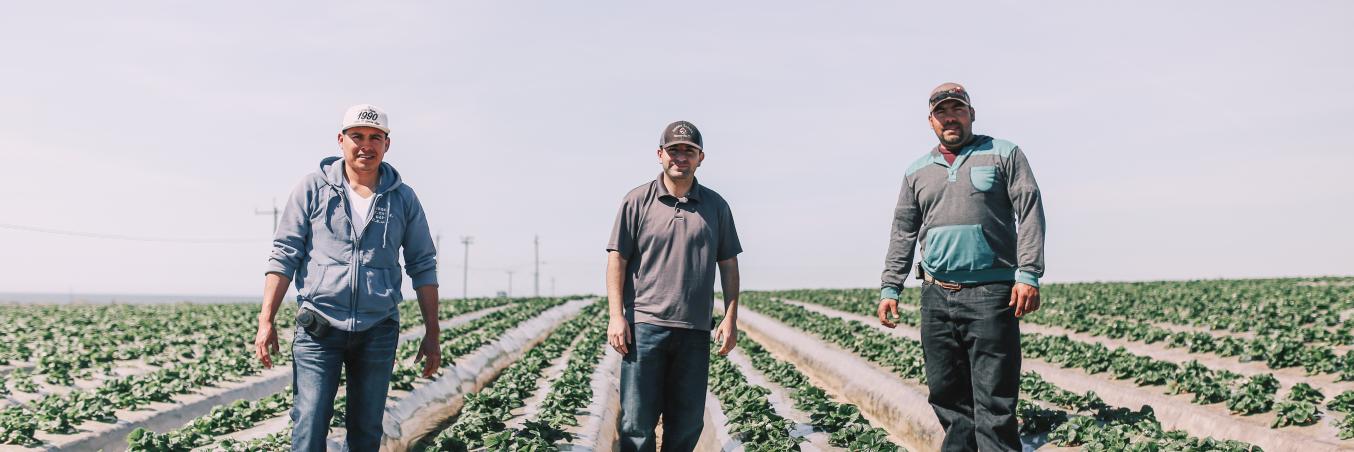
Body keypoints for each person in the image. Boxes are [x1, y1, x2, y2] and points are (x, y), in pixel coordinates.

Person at [253, 104, 442, 451]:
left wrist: (433, 332)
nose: (366, 145)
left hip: (377, 329)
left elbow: (422, 264)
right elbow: (284, 254)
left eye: (375, 138)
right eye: (357, 136)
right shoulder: (313, 189)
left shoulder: (402, 198)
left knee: (366, 430)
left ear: (387, 144)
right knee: (309, 422)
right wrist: (267, 320)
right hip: (319, 327)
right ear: (341, 140)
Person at [877, 83, 1046, 451]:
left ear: (971, 114)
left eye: (957, 109)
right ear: (931, 121)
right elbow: (903, 231)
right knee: (946, 394)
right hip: (936, 295)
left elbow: (1030, 210)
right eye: (942, 112)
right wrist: (891, 286)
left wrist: (1028, 273)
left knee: (994, 398)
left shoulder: (1003, 154)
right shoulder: (917, 171)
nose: (950, 118)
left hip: (991, 294)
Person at [605, 120, 743, 452]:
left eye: (689, 151)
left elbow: (728, 264)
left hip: (694, 330)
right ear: (660, 154)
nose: (681, 157)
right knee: (636, 423)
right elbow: (617, 259)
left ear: (700, 158)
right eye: (674, 150)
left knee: (687, 423)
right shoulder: (637, 201)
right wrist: (616, 316)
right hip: (645, 328)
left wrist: (730, 318)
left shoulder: (716, 206)